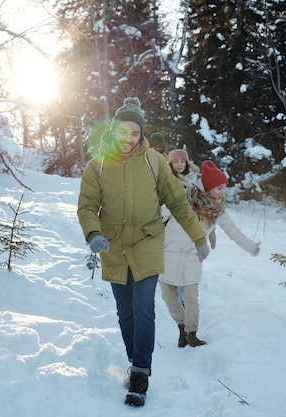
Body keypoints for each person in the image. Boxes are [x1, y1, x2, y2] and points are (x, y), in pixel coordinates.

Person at [77, 97, 210, 407]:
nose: (129, 139)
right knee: (125, 313)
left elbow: (177, 202)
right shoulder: (97, 165)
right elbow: (86, 206)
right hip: (113, 247)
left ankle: (140, 373)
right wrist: (93, 233)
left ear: (141, 134)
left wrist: (198, 237)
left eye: (135, 133)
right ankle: (134, 359)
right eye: (124, 132)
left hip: (148, 242)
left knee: (143, 307)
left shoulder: (154, 161)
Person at [159, 160, 261, 348]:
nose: (222, 192)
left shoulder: (217, 211)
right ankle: (181, 327)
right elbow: (159, 214)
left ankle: (191, 333)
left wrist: (251, 247)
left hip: (193, 255)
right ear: (207, 186)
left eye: (223, 188)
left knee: (191, 296)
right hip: (167, 252)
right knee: (168, 297)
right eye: (219, 188)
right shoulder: (183, 198)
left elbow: (233, 231)